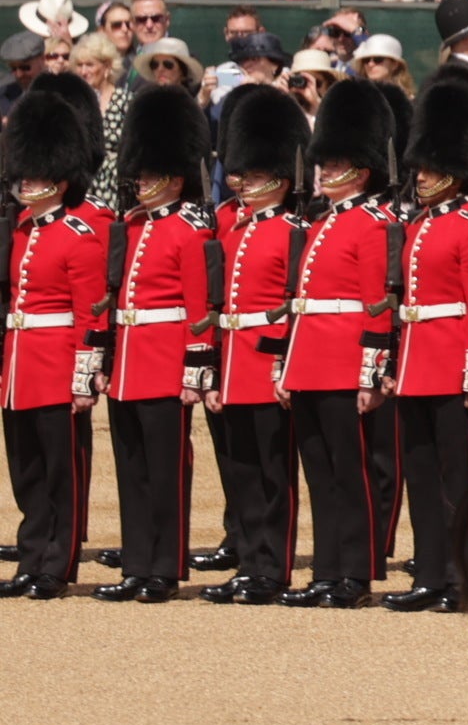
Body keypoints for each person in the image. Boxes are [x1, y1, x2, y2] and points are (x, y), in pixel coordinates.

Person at [278, 78, 402, 609]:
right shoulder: (321, 222)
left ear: (361, 168)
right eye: (323, 165)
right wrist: (286, 367)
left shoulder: (375, 223)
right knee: (320, 475)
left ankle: (356, 572)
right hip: (310, 361)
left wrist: (372, 375)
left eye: (334, 165)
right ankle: (326, 569)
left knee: (351, 474)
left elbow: (379, 304)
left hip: (346, 363)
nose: (324, 172)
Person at [387, 68, 468, 614]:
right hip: (416, 362)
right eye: (422, 165)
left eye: (435, 166)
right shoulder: (420, 224)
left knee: (461, 481)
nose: (424, 174)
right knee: (422, 475)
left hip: (450, 365)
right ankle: (431, 572)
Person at [89, 87, 215, 603]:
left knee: (166, 470)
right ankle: (137, 562)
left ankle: (164, 565)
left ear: (175, 177)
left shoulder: (190, 231)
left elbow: (198, 308)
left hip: (165, 361)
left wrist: (194, 370)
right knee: (132, 469)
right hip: (129, 362)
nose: (138, 181)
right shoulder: (131, 226)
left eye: (148, 173)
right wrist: (105, 361)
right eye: (137, 173)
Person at [203, 83, 310, 604]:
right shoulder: (232, 228)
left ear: (282, 179)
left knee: (272, 475)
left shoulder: (294, 229)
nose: (245, 183)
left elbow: (293, 304)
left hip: (266, 364)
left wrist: (282, 365)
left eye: (259, 175)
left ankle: (273, 567)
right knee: (241, 470)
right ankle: (248, 561)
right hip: (231, 360)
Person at [0, 86, 107, 599]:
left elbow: (91, 312)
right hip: (20, 366)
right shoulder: (23, 228)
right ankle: (30, 556)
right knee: (26, 472)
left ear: (61, 176)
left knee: (61, 471)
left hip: (57, 364)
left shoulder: (79, 233)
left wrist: (84, 376)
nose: (28, 182)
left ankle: (56, 565)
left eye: (38, 173)